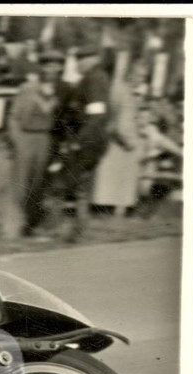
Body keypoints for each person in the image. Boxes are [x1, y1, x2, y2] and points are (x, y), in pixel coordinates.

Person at [5, 50, 66, 237]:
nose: (51, 70)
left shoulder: (63, 90)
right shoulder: (28, 88)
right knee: (20, 182)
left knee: (39, 183)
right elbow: (13, 116)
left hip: (46, 138)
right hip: (26, 136)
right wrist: (17, 140)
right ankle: (12, 227)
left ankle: (33, 225)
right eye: (47, 65)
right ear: (41, 67)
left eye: (56, 65)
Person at [56, 45, 111, 242]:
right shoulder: (94, 77)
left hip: (88, 139)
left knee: (73, 185)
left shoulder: (94, 78)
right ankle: (76, 231)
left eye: (80, 59)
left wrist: (79, 141)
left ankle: (73, 231)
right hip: (89, 138)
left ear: (91, 60)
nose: (77, 64)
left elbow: (97, 114)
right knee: (78, 185)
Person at [91, 52, 141, 216]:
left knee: (108, 178)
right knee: (115, 178)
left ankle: (105, 207)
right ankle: (110, 209)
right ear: (130, 74)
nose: (141, 80)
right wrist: (130, 142)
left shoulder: (118, 88)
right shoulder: (124, 92)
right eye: (139, 75)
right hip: (119, 142)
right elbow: (122, 122)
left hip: (112, 138)